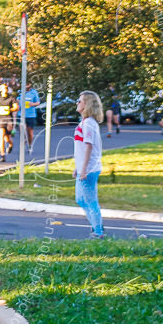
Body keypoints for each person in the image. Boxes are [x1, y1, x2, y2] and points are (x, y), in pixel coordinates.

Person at [74, 91, 105, 239]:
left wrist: (84, 169)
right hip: (83, 168)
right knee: (80, 199)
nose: (77, 103)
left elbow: (89, 147)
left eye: (80, 101)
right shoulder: (86, 122)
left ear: (87, 104)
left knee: (90, 200)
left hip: (89, 169)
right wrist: (77, 167)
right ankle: (96, 224)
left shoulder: (89, 124)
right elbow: (81, 148)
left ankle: (97, 231)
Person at [0, 82, 18, 162]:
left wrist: (9, 109)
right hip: (0, 119)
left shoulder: (11, 97)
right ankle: (2, 155)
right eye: (3, 88)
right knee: (1, 137)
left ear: (7, 89)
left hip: (8, 119)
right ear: (1, 90)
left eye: (5, 88)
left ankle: (10, 144)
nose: (4, 90)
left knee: (7, 138)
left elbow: (16, 107)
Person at [21, 81, 40, 149]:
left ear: (30, 85)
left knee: (30, 132)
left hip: (31, 115)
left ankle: (30, 145)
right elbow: (17, 100)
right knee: (22, 129)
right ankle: (24, 139)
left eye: (27, 84)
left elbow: (38, 102)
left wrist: (32, 104)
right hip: (22, 114)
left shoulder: (34, 92)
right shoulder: (20, 91)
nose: (26, 86)